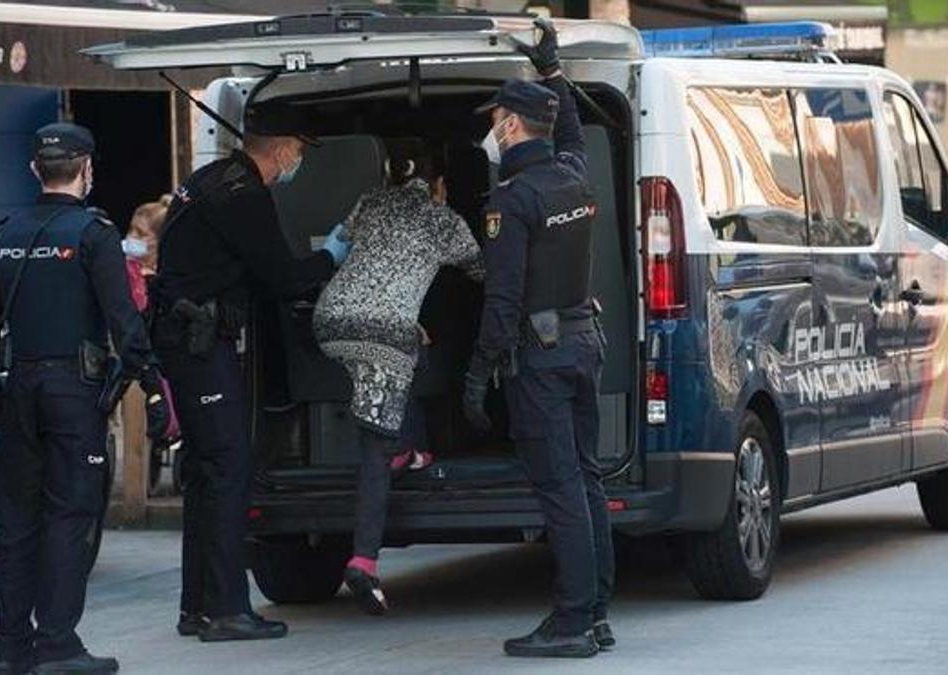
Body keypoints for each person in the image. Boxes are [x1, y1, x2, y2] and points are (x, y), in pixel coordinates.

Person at [0, 122, 172, 675]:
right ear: (86, 170)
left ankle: (10, 647)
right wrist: (149, 386)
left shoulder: (2, 233)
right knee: (70, 514)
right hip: (73, 393)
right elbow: (125, 324)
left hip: (18, 389)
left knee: (17, 524)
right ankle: (57, 643)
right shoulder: (92, 233)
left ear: (36, 170)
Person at [150, 101, 350, 641]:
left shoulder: (211, 178)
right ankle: (226, 611)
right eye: (301, 151)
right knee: (228, 471)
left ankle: (198, 607)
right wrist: (332, 255)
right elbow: (283, 279)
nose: (299, 161)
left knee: (205, 474)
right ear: (284, 149)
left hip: (185, 340)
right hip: (198, 344)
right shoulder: (244, 197)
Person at [462, 19, 614, 658]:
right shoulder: (575, 175)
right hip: (583, 344)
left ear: (513, 127)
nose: (491, 128)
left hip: (541, 359)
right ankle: (596, 613)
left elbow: (502, 298)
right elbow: (573, 132)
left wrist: (477, 373)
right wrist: (553, 72)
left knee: (559, 489)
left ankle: (573, 621)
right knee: (586, 481)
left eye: (496, 118)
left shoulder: (513, 199)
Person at [312, 139, 483, 615]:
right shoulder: (444, 220)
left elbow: (343, 243)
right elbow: (483, 274)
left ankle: (410, 447)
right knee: (374, 445)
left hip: (331, 319)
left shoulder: (372, 201)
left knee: (407, 351)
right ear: (440, 185)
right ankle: (364, 560)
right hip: (382, 333)